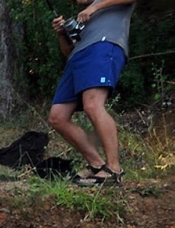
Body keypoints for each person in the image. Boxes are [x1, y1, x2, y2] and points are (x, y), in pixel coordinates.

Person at [48, 0, 136, 186]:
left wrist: (94, 7)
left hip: (103, 46)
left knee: (93, 104)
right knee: (58, 117)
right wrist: (62, 35)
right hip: (77, 57)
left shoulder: (101, 5)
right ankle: (97, 165)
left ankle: (114, 169)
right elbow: (67, 50)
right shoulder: (84, 16)